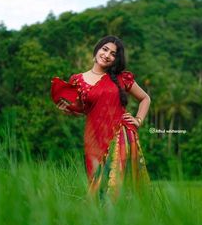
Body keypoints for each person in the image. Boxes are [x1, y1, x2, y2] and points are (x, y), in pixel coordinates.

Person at [55, 35, 151, 199]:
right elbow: (83, 109)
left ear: (116, 59)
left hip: (120, 136)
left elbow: (145, 99)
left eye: (113, 54)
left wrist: (138, 120)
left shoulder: (122, 78)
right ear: (97, 50)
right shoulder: (77, 80)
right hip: (93, 137)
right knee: (96, 187)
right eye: (105, 49)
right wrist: (67, 109)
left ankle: (124, 222)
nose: (107, 55)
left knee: (117, 188)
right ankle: (99, 223)